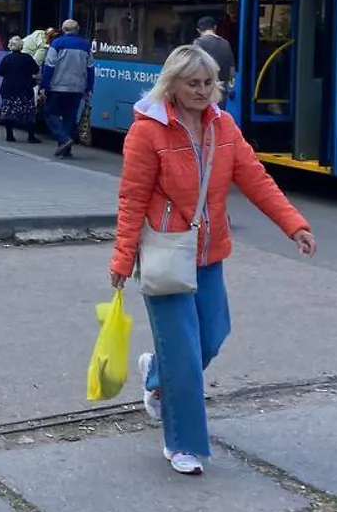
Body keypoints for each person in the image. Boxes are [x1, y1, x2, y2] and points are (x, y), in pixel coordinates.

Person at [111, 44, 316, 475]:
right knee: (184, 353)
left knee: (211, 336)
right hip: (166, 253)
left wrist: (293, 224)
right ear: (173, 85)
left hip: (209, 252)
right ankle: (183, 443)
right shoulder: (147, 132)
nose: (203, 91)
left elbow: (255, 178)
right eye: (194, 83)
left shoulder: (224, 127)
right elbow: (132, 199)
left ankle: (155, 374)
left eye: (209, 83)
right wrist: (123, 257)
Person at [40, 19, 94, 157]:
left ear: (63, 30)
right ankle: (66, 149)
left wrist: (44, 86)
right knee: (70, 117)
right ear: (77, 30)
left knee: (49, 112)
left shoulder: (57, 43)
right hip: (77, 88)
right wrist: (89, 88)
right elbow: (90, 69)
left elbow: (49, 66)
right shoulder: (85, 45)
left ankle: (64, 139)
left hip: (58, 86)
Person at [0, 35, 41, 144]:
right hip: (25, 89)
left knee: (9, 112)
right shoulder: (27, 58)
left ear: (10, 46)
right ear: (21, 46)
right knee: (28, 112)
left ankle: (9, 135)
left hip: (9, 89)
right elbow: (35, 70)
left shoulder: (6, 58)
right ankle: (31, 137)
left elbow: (0, 72)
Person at [193, 16, 236, 95]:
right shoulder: (225, 43)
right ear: (215, 27)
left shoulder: (198, 42)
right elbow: (231, 69)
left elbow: (193, 67)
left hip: (205, 89)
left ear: (198, 30)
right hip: (221, 89)